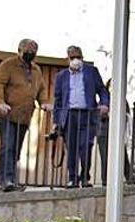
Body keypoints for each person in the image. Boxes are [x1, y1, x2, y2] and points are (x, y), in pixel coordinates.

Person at [0, 39, 52, 192]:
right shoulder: (8, 65)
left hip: (24, 116)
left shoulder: (36, 70)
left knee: (16, 148)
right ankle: (5, 180)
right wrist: (0, 102)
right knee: (8, 146)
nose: (30, 54)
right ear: (19, 50)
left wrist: (44, 102)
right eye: (28, 51)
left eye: (33, 52)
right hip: (8, 114)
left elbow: (42, 89)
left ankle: (11, 179)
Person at [52, 46, 109, 188]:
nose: (76, 60)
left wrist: (104, 104)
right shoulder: (61, 76)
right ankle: (72, 178)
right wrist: (56, 121)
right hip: (69, 115)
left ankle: (85, 177)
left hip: (87, 114)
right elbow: (58, 100)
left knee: (86, 147)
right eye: (72, 58)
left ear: (82, 58)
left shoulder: (91, 72)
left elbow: (102, 90)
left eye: (78, 57)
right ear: (67, 59)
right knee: (71, 148)